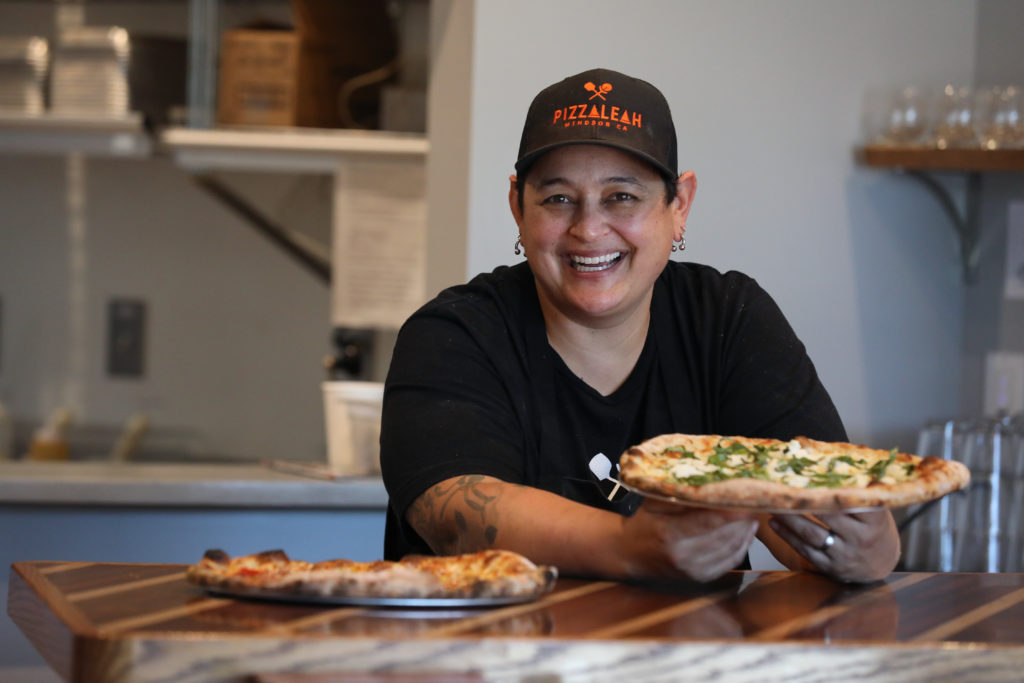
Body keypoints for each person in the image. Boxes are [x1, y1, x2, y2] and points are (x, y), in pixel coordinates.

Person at [379, 68, 899, 584]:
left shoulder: (728, 320)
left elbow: (824, 505)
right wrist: (632, 546)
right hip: (490, 659)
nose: (588, 229)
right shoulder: (453, 334)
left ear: (680, 207)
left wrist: (860, 549)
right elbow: (453, 516)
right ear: (518, 207)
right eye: (558, 198)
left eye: (622, 197)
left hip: (685, 660)